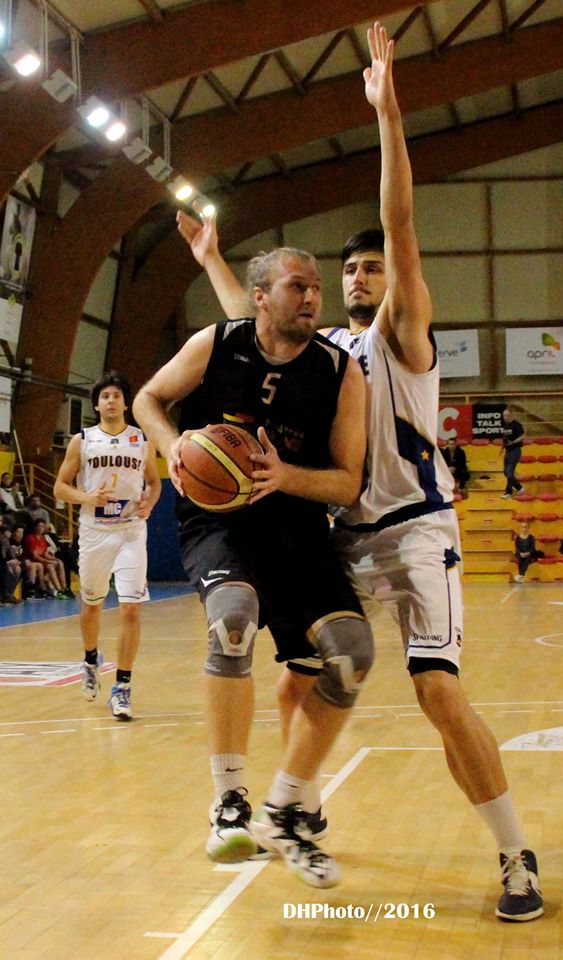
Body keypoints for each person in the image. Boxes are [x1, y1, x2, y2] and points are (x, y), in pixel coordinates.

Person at [177, 22, 543, 922]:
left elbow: (400, 220)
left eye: (370, 267)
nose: (358, 274)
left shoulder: (401, 337)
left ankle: (513, 855)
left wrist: (387, 115)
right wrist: (217, 262)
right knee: (305, 670)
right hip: (340, 528)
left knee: (436, 692)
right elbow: (246, 336)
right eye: (347, 269)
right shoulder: (325, 351)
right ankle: (291, 805)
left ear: (392, 282)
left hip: (416, 528)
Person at [133, 246, 372, 888]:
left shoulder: (340, 372)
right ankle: (229, 800)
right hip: (220, 523)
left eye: (317, 287)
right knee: (232, 620)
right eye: (299, 286)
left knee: (350, 653)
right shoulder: (217, 342)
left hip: (294, 525)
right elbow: (148, 399)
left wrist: (285, 475)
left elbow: (349, 482)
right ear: (260, 296)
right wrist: (173, 443)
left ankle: (287, 806)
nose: (314, 297)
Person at [53, 372, 161, 721]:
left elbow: (155, 483)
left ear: (126, 403)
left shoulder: (142, 440)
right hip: (94, 531)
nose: (111, 401)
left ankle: (123, 688)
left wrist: (150, 504)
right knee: (92, 606)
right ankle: (89, 659)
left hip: (131, 530)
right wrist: (86, 496)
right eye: (105, 397)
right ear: (96, 405)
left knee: (130, 609)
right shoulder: (81, 441)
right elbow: (59, 488)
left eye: (116, 395)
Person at [23, 518, 68, 598]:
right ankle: (59, 590)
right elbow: (35, 556)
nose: (41, 528)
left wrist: (55, 559)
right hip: (33, 561)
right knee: (50, 566)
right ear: (35, 527)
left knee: (60, 563)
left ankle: (64, 589)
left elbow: (45, 553)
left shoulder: (43, 538)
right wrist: (48, 561)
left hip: (42, 561)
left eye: (43, 527)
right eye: (39, 526)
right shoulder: (31, 538)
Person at [501, 408, 526, 499]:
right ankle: (509, 492)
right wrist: (502, 448)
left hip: (515, 450)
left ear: (511, 415)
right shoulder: (505, 425)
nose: (505, 417)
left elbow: (523, 435)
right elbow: (505, 438)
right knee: (506, 472)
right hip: (508, 451)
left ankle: (519, 489)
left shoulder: (516, 425)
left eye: (507, 415)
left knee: (509, 472)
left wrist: (514, 442)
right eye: (504, 415)